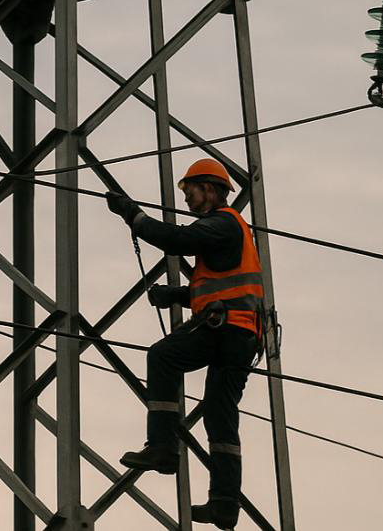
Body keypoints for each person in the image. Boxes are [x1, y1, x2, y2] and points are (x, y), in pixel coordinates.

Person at [105, 158, 265, 530]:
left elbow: (176, 240)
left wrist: (133, 215)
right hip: (241, 335)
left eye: (191, 190)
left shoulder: (223, 223)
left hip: (226, 329)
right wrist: (177, 295)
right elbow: (221, 284)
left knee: (162, 356)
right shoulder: (230, 230)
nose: (188, 199)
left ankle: (162, 447)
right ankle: (225, 504)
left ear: (210, 189)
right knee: (219, 415)